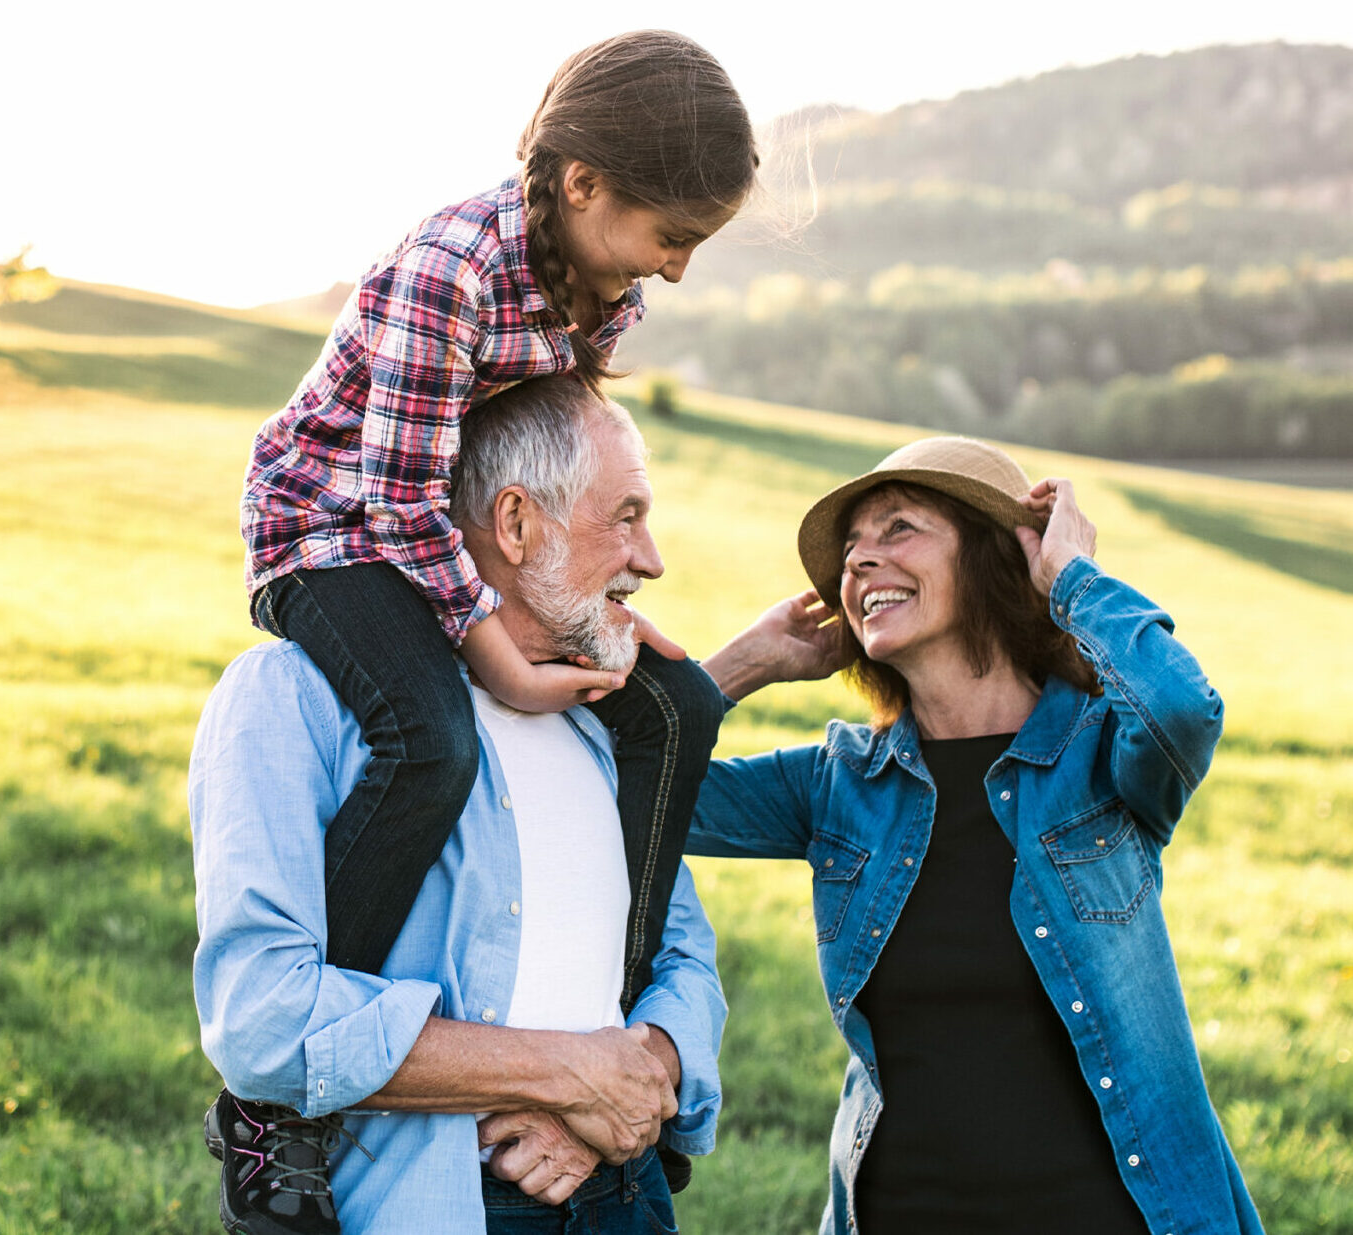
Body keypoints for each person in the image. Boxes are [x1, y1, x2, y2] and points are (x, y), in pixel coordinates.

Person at [221, 28, 752, 1233]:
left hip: (605, 1177)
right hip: (336, 535)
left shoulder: (596, 289)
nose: (674, 269)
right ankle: (281, 1117)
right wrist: (492, 647)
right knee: (431, 742)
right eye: (671, 235)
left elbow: (544, 433)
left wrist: (629, 1071)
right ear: (582, 185)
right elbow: (406, 497)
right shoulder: (451, 266)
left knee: (680, 708)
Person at [689, 436, 1264, 1234]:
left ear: (995, 557)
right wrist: (746, 661)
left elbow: (1180, 707)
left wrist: (1071, 579)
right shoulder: (839, 782)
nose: (859, 561)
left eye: (898, 529)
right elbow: (629, 794)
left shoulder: (1098, 756)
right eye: (851, 548)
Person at [192, 377, 727, 1235]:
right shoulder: (294, 699)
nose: (651, 557)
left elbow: (685, 958)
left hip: (624, 1193)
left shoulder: (603, 720)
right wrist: (565, 1074)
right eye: (625, 516)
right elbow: (264, 1015)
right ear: (516, 523)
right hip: (446, 1204)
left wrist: (637, 1070)